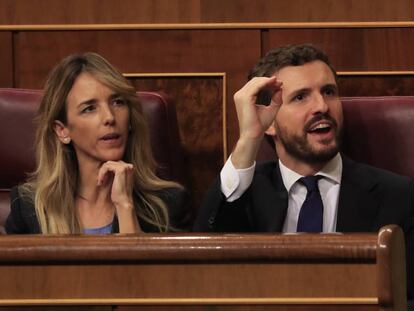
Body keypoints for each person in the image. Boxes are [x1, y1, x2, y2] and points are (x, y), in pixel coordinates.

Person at [193, 44, 414, 299]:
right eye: (300, 97)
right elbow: (203, 268)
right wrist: (248, 139)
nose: (321, 106)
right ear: (269, 122)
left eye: (329, 92)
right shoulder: (245, 195)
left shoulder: (398, 196)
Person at [6, 52, 187, 234]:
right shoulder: (29, 208)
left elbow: (140, 264)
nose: (109, 117)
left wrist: (125, 206)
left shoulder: (168, 205)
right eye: (89, 108)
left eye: (117, 102)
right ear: (62, 131)